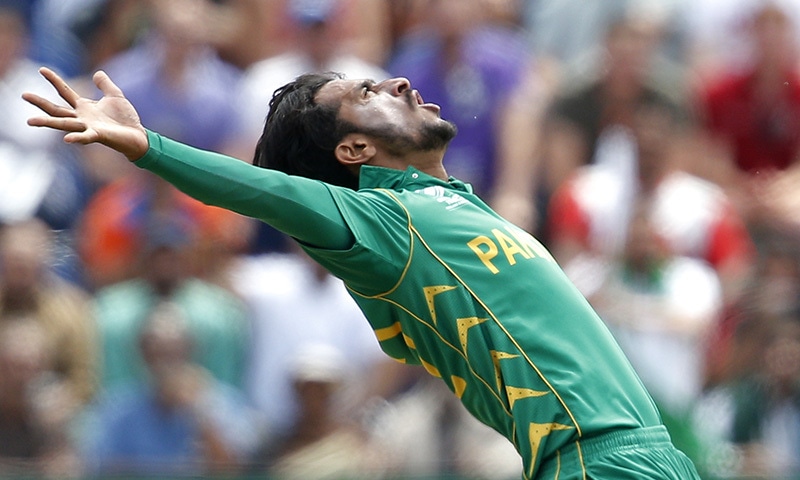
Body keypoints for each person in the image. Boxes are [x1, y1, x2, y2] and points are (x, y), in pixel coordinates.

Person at [23, 66, 701, 479]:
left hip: (652, 456)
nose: (401, 84)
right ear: (353, 147)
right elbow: (267, 193)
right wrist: (149, 148)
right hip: (596, 461)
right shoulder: (382, 223)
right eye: (370, 91)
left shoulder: (446, 206)